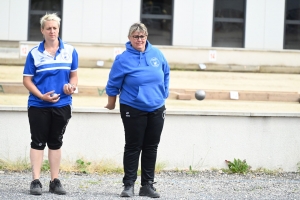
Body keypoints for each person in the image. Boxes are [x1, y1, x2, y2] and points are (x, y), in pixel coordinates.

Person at [105, 22, 170, 198]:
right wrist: (111, 103)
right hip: (133, 107)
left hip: (156, 107)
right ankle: (128, 185)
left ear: (146, 36)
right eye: (135, 36)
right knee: (134, 146)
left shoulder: (157, 54)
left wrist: (164, 93)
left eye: (142, 36)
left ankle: (147, 185)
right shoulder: (123, 59)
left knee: (151, 146)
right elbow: (113, 84)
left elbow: (165, 73)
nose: (139, 39)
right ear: (129, 38)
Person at [23, 13, 78, 195]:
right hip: (38, 105)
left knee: (56, 142)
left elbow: (73, 75)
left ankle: (54, 181)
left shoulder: (70, 51)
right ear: (42, 30)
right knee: (37, 142)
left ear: (58, 29)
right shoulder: (34, 53)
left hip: (62, 104)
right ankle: (36, 181)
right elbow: (27, 80)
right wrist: (41, 96)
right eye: (48, 28)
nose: (52, 31)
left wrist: (72, 87)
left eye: (55, 28)